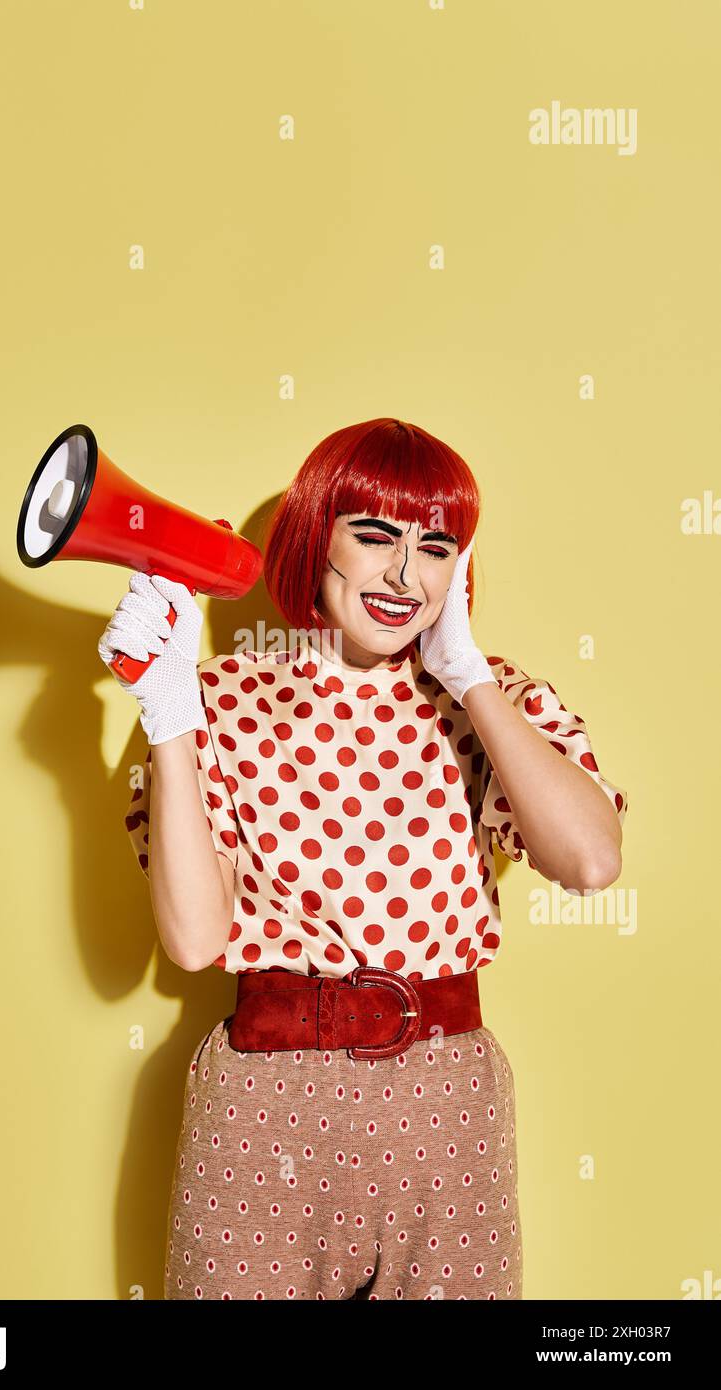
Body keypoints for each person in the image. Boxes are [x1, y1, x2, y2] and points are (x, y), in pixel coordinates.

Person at [99, 417, 628, 1301]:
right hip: (260, 1114)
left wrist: (469, 678)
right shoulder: (218, 699)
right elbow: (195, 942)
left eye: (435, 547)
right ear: (317, 539)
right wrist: (168, 713)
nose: (402, 575)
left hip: (446, 1107)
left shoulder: (494, 701)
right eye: (374, 536)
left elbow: (590, 863)